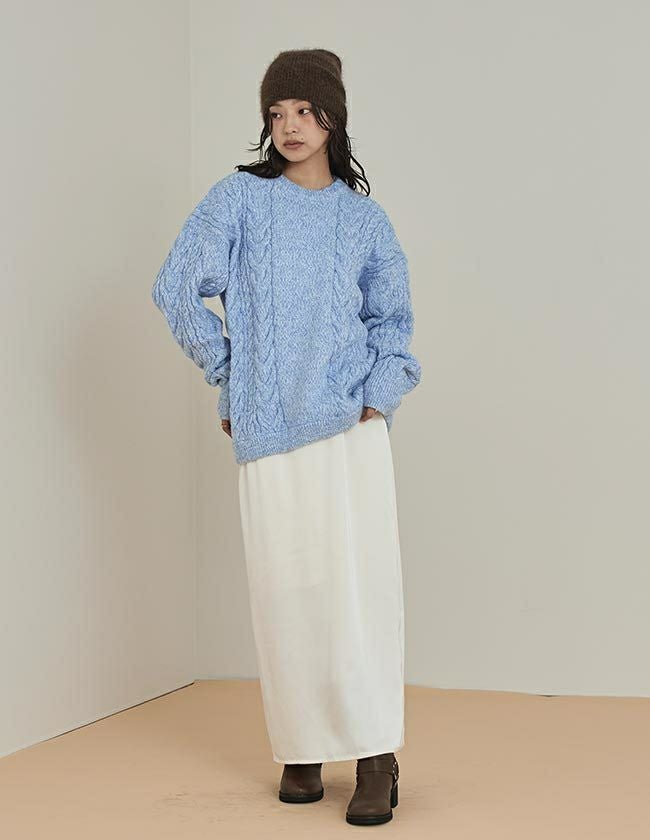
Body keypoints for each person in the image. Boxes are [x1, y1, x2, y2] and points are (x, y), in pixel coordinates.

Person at [151, 48, 421, 826]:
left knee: (359, 592)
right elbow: (175, 288)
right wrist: (230, 375)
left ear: (333, 117)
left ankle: (375, 755)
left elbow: (394, 323)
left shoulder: (364, 220)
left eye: (305, 110)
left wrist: (377, 397)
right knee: (287, 591)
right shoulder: (239, 200)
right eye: (276, 113)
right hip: (269, 430)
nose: (290, 125)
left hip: (349, 430)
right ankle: (302, 747)